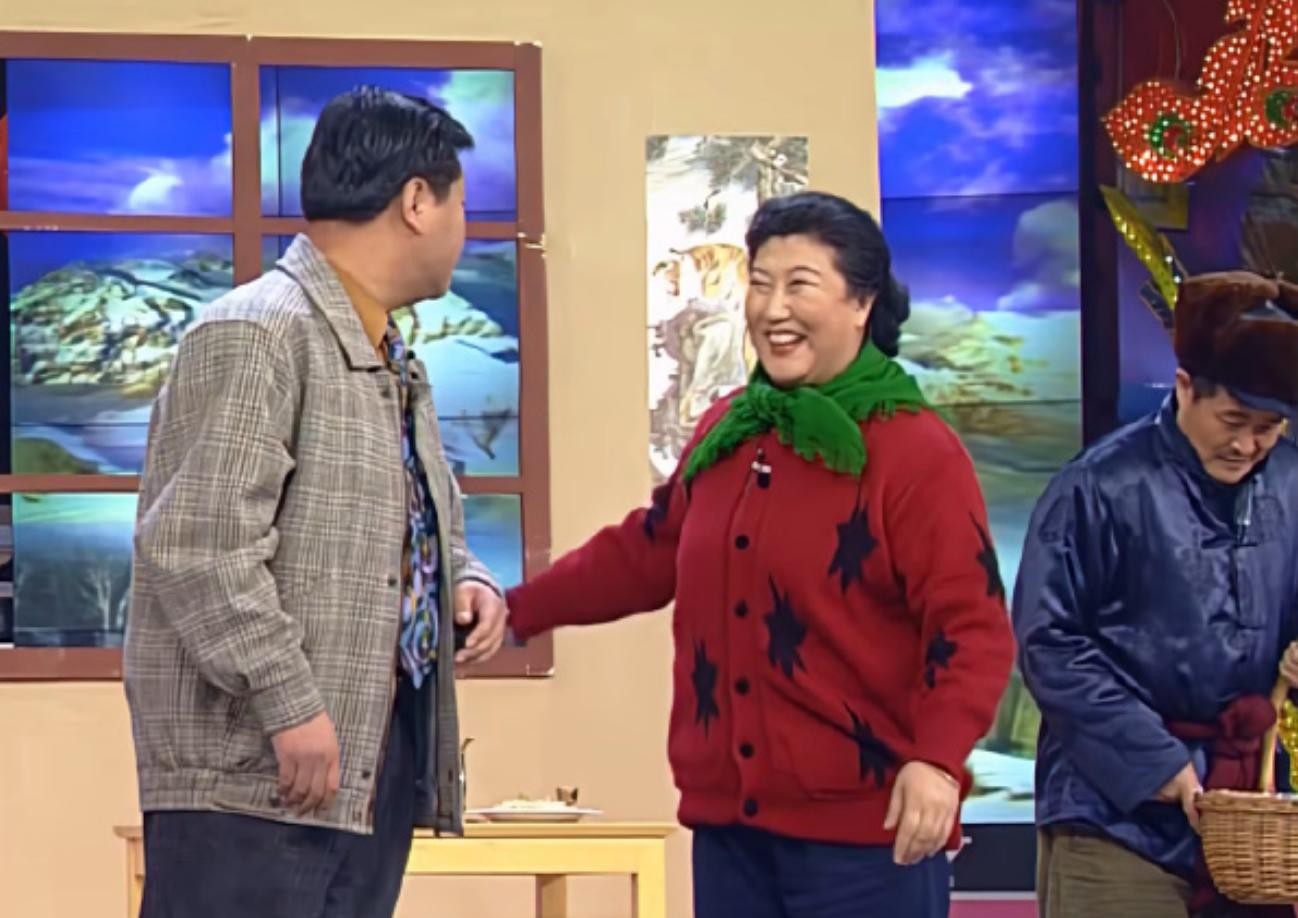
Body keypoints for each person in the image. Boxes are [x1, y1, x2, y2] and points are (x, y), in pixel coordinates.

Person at [504, 190, 1015, 917]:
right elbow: (649, 550)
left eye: (800, 285)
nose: (774, 309)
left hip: (867, 842)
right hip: (731, 838)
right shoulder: (731, 432)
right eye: (761, 283)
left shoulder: (915, 453)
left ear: (861, 303)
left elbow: (973, 628)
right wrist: (515, 610)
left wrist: (937, 759)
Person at [123, 86, 510, 918]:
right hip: (255, 789)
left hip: (361, 773)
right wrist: (290, 702)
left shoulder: (390, 357)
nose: (463, 228)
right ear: (416, 201)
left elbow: (412, 522)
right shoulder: (259, 331)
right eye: (459, 204)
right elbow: (200, 546)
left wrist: (467, 580)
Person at [1014, 271, 1298, 918]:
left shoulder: (1290, 481)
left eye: (1269, 427)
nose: (1247, 445)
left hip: (1243, 812)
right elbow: (1049, 642)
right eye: (1233, 420)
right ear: (1184, 388)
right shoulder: (1100, 486)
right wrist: (1154, 760)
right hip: (1113, 809)